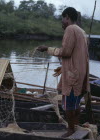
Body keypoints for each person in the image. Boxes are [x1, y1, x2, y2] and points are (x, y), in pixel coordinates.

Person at [37, 7, 89, 137]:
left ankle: (71, 130)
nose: (62, 21)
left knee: (68, 106)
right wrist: (63, 68)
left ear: (67, 17)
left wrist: (47, 49)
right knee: (75, 103)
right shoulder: (81, 31)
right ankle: (75, 126)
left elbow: (65, 52)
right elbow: (78, 55)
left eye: (63, 18)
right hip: (80, 73)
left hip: (73, 75)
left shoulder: (70, 29)